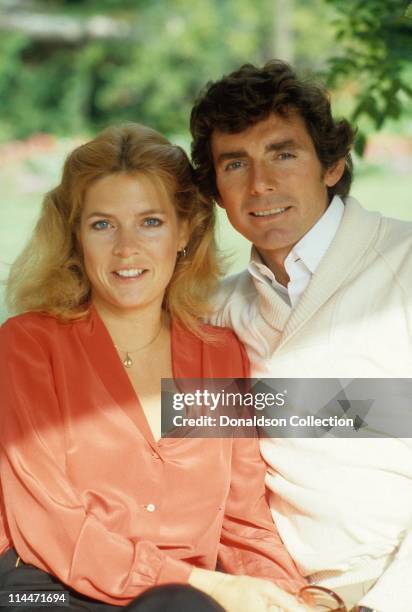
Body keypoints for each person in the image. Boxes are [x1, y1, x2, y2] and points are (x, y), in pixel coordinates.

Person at [0, 123, 310, 612]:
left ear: (185, 229)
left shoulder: (218, 354)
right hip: (49, 588)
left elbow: (242, 522)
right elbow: (51, 526)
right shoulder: (29, 345)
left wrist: (293, 598)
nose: (127, 248)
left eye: (150, 222)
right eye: (102, 224)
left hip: (183, 599)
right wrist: (211, 587)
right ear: (75, 236)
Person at [190, 61, 412, 612]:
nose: (260, 184)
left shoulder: (404, 266)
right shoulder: (215, 311)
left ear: (333, 165)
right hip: (282, 593)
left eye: (283, 154)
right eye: (235, 163)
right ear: (215, 189)